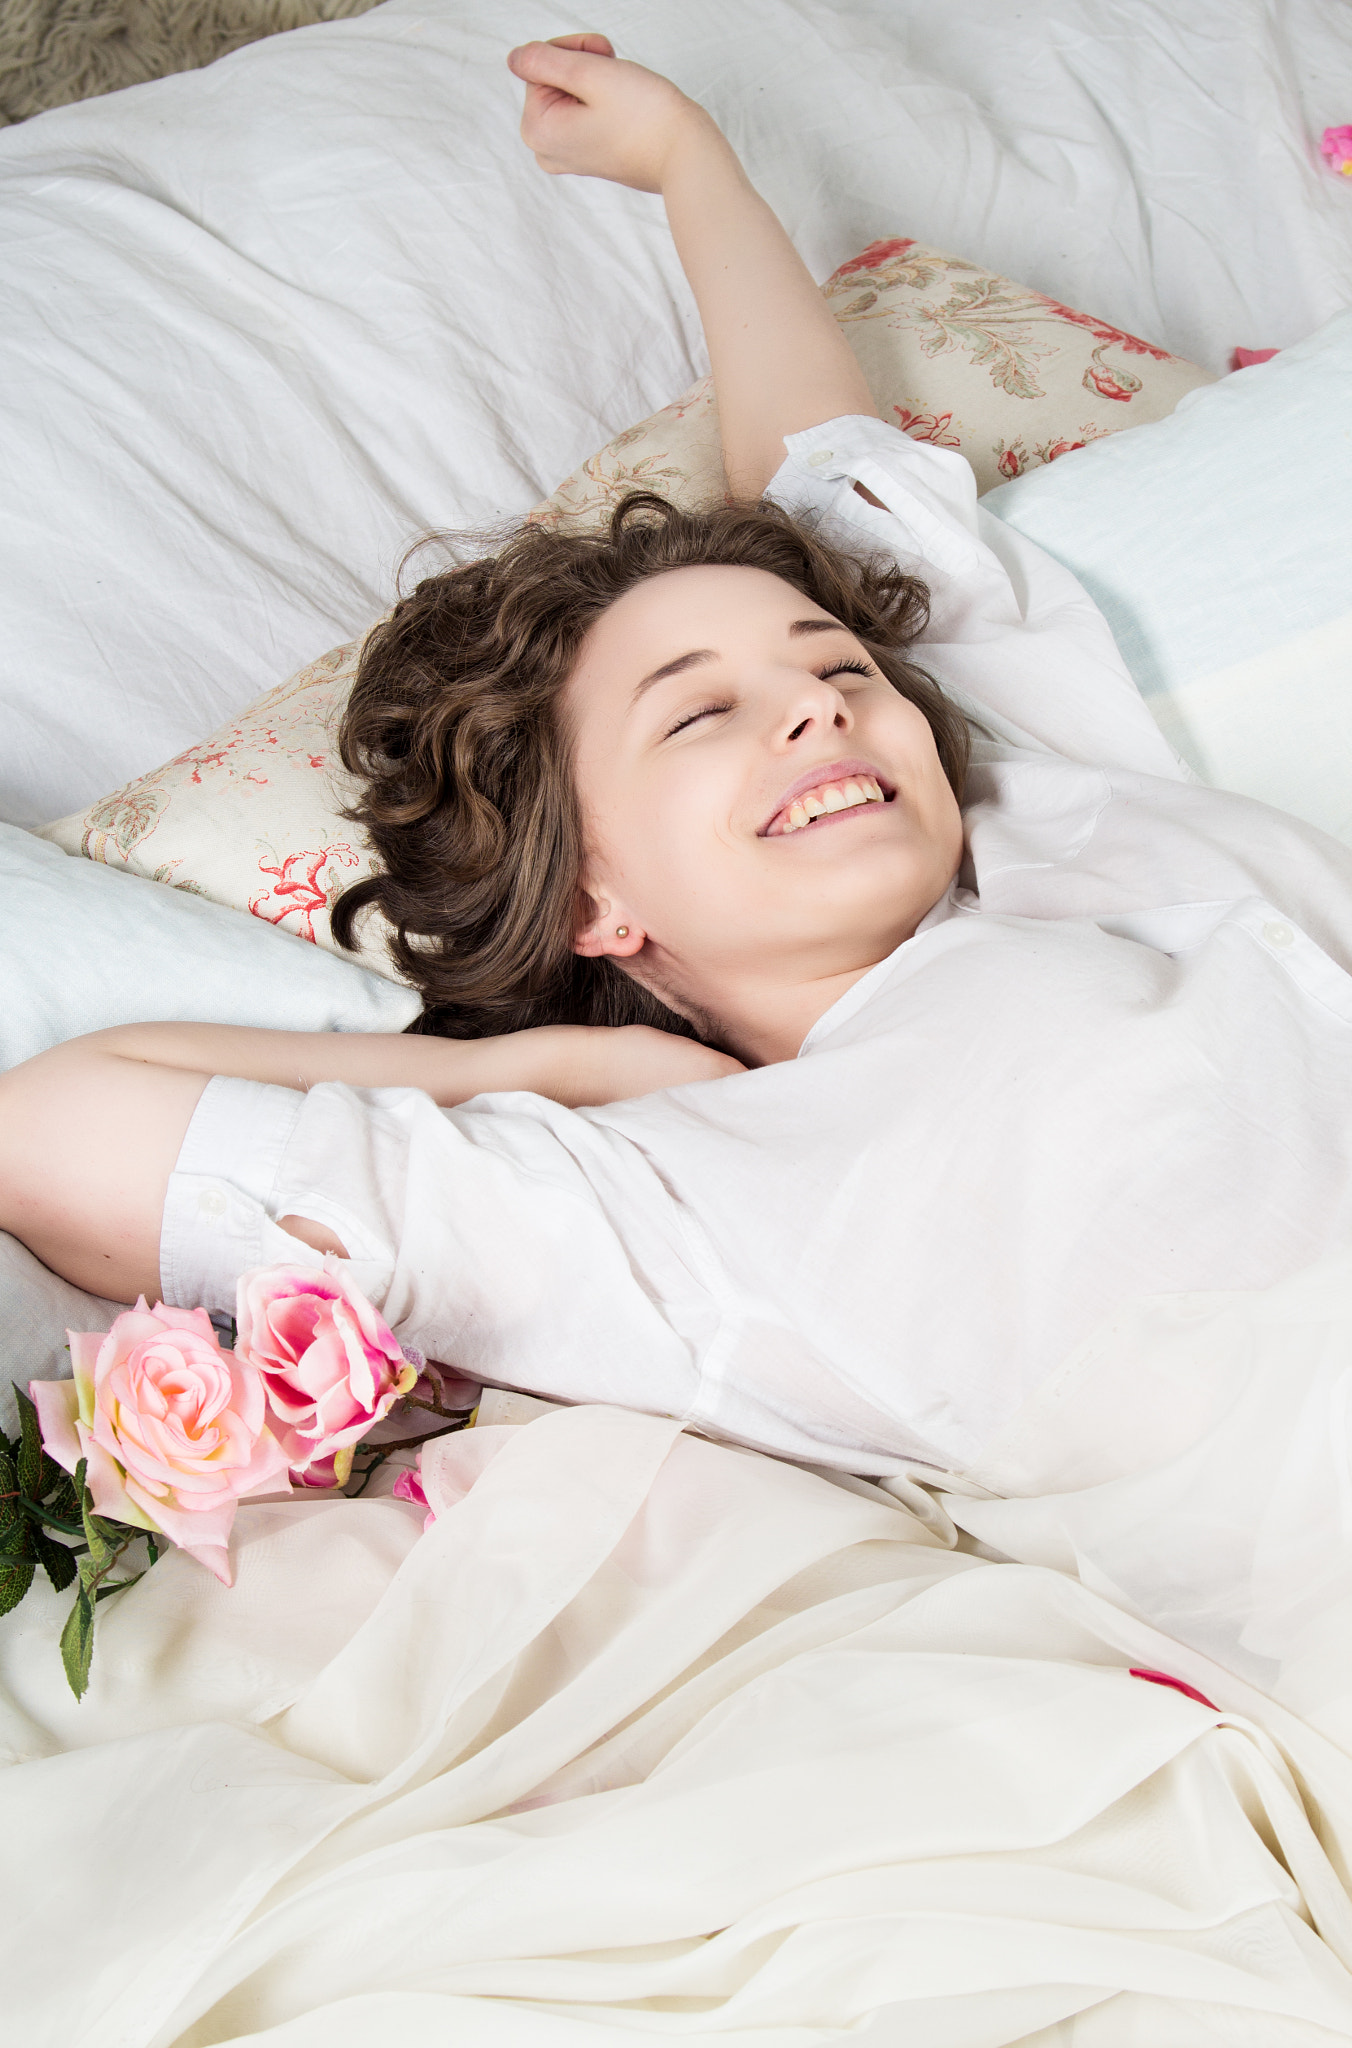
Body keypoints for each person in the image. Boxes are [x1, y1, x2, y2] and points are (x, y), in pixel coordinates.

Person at [5, 36, 1352, 1478]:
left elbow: (821, 474)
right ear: (591, 896)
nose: (819, 708)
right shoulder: (671, 1194)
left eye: (839, 670)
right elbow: (48, 1131)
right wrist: (554, 1068)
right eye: (699, 715)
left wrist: (688, 165)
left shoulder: (1032, 789)